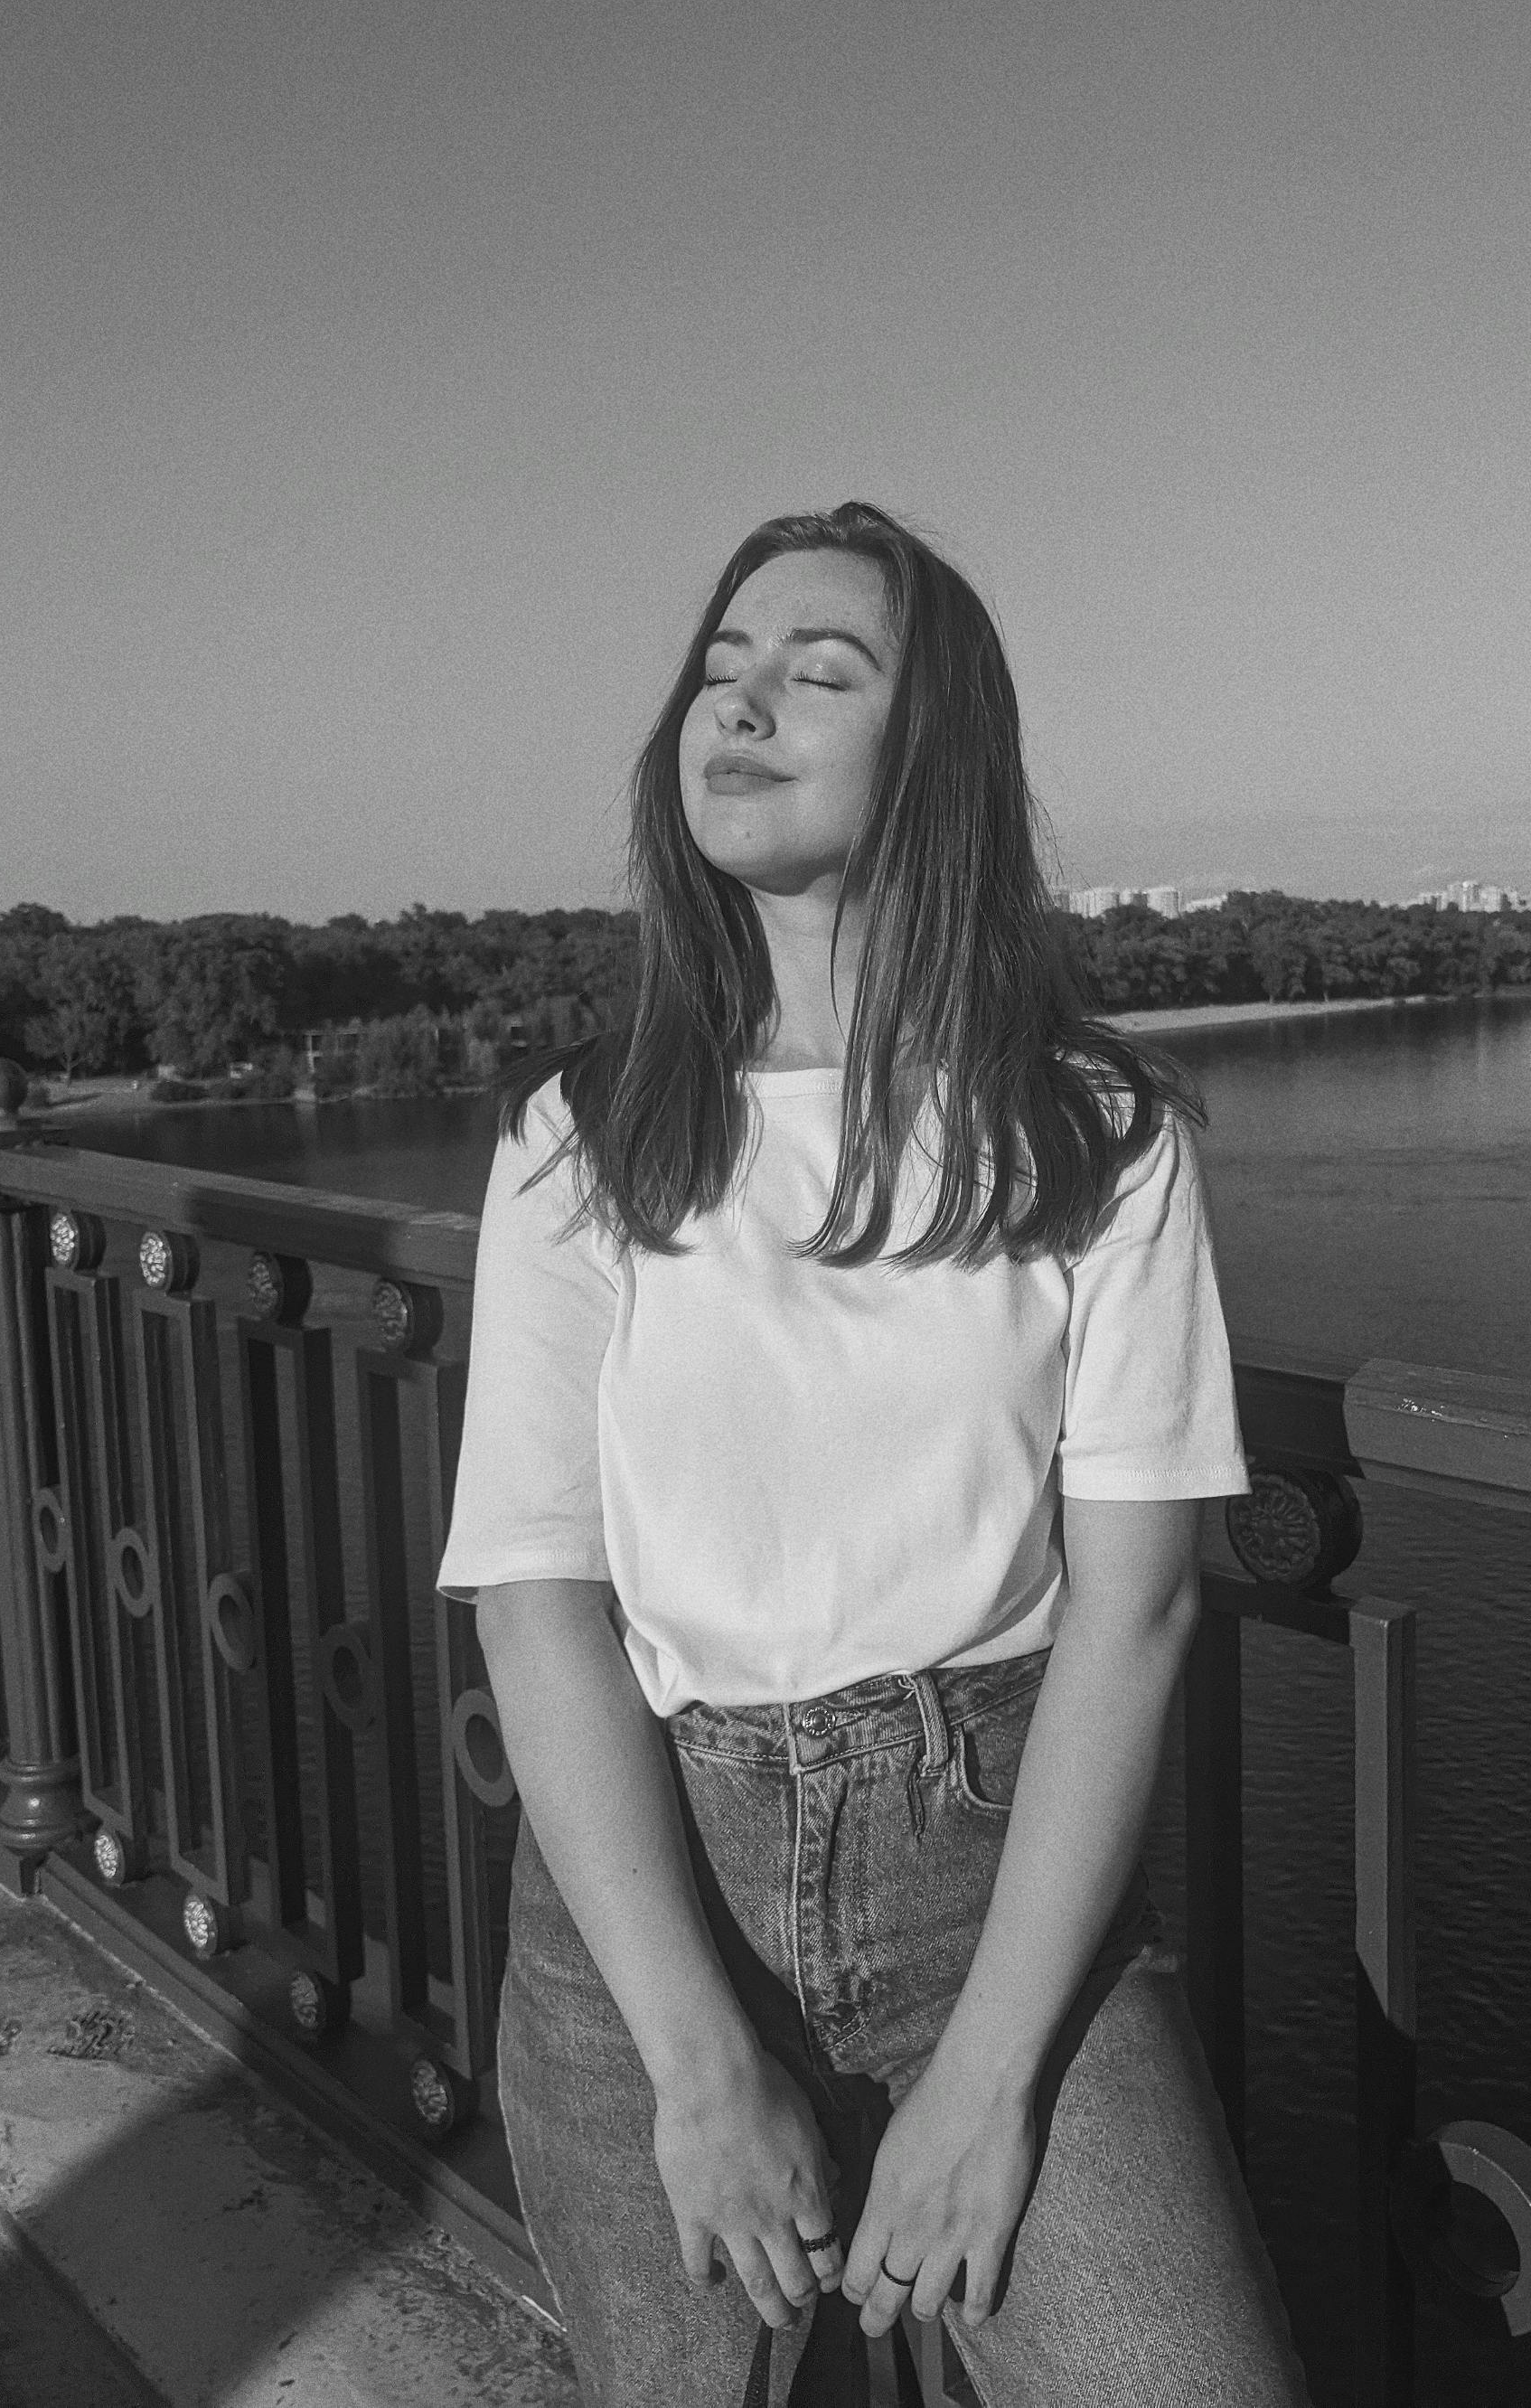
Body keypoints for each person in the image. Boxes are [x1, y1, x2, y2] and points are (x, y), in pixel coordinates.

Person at [436, 502, 1309, 2407]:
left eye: (817, 672)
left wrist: (990, 2081)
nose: (738, 703)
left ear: (936, 757)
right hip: (651, 1913)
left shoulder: (1093, 1137)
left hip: (995, 1896)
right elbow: (537, 1602)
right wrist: (694, 2061)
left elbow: (1136, 1614)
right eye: (718, 670)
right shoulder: (580, 1141)